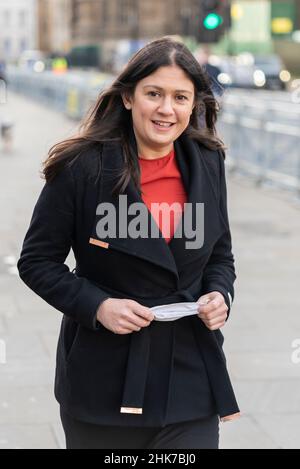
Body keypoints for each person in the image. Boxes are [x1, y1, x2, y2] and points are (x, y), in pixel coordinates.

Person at [17, 37, 240, 450]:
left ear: (193, 104)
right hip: (105, 379)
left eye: (180, 97)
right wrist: (98, 306)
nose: (166, 109)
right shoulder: (81, 167)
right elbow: (36, 261)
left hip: (189, 372)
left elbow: (220, 254)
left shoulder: (209, 162)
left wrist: (219, 293)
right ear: (127, 97)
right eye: (153, 94)